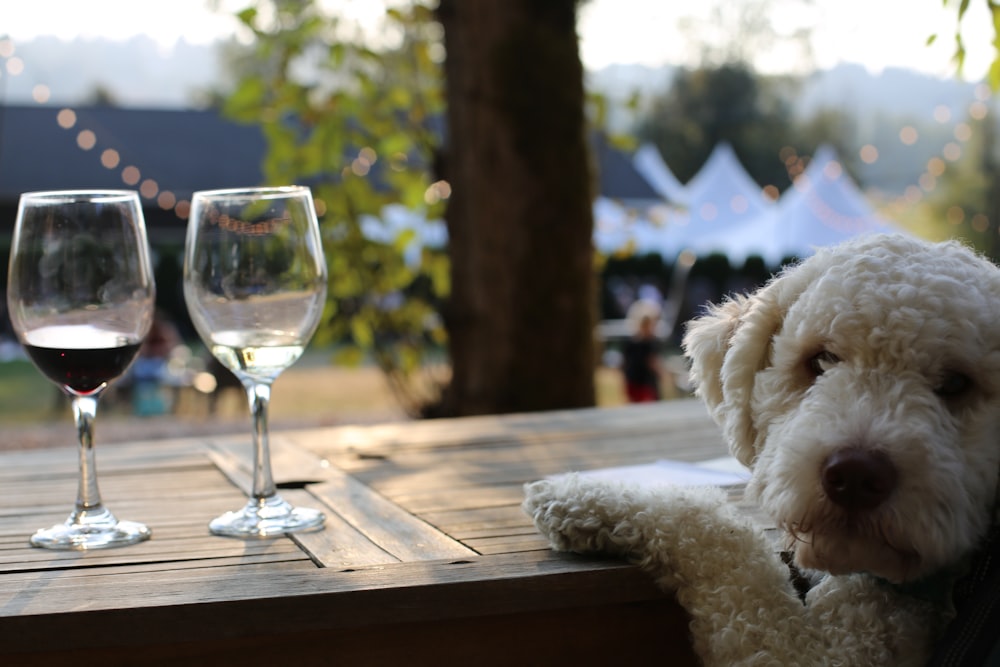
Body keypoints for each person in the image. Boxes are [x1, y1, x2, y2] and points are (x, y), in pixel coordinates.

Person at [621, 301, 663, 403]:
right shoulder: (638, 343)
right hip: (637, 380)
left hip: (645, 381)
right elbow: (652, 362)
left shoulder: (649, 343)